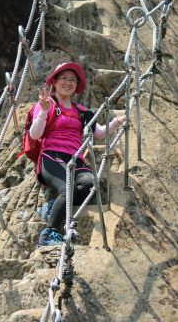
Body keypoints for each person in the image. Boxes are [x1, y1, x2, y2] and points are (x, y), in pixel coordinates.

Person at [30, 62, 125, 246]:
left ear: (77, 85)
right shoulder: (46, 104)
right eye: (64, 78)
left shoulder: (82, 111)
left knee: (91, 185)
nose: (68, 82)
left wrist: (117, 122)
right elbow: (35, 134)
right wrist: (42, 110)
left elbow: (98, 133)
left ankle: (53, 206)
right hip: (52, 157)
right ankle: (49, 233)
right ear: (55, 82)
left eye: (72, 79)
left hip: (76, 160)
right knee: (68, 188)